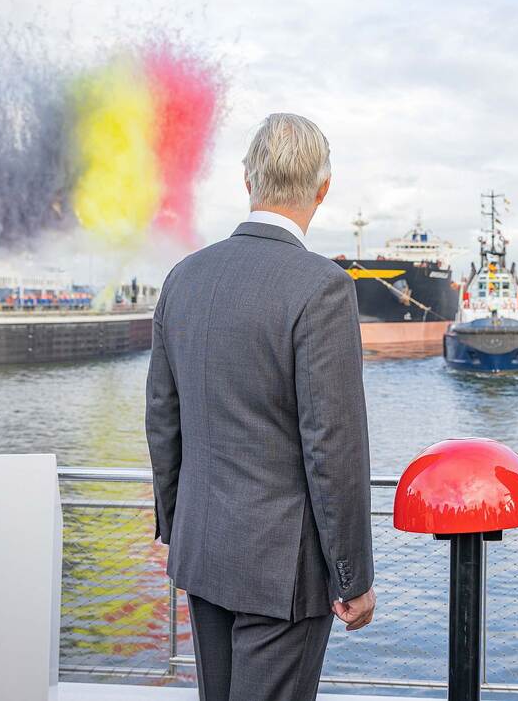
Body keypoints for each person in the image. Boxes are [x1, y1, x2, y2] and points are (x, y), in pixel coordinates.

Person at [145, 113, 375, 701]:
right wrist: (353, 575)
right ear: (323, 191)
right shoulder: (321, 287)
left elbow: (163, 420)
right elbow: (333, 446)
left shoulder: (183, 278)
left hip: (204, 551)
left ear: (247, 179)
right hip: (283, 569)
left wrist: (177, 524)